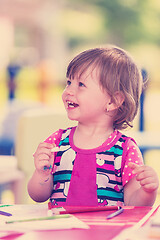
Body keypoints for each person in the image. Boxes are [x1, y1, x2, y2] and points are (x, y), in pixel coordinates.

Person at [28, 45, 159, 207]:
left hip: (106, 231)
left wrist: (147, 192)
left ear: (113, 101)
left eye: (81, 84)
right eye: (69, 82)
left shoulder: (125, 149)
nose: (68, 90)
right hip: (62, 229)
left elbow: (134, 203)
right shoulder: (57, 141)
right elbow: (37, 196)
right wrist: (42, 173)